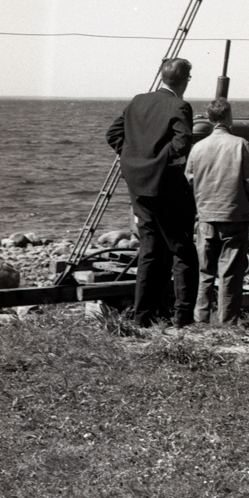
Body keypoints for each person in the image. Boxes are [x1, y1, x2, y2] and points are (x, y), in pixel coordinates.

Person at [106, 58, 199, 329]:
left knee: (150, 250)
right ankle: (182, 317)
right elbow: (182, 142)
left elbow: (113, 133)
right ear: (185, 80)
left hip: (139, 186)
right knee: (182, 251)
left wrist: (133, 157)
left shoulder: (138, 101)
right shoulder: (179, 105)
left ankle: (143, 316)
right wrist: (160, 161)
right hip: (166, 187)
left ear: (161, 76)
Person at [185, 98, 249, 325]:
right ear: (229, 117)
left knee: (205, 272)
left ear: (209, 119)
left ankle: (201, 318)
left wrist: (201, 203)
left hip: (206, 216)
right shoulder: (241, 145)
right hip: (234, 215)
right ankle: (227, 322)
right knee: (230, 273)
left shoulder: (198, 148)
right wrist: (245, 203)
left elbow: (189, 181)